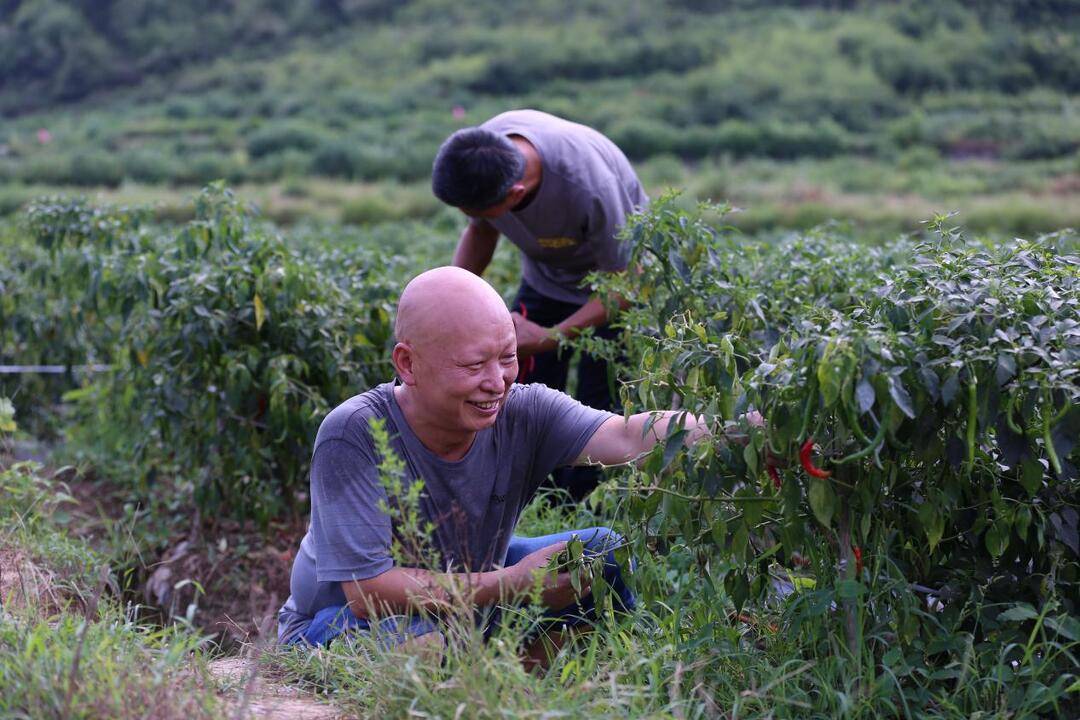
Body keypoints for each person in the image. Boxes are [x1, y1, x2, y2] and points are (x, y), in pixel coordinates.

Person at [277, 267, 723, 667]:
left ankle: (522, 677)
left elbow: (628, 435)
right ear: (407, 364)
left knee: (599, 553)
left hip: (471, 593)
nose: (497, 382)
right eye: (473, 364)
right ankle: (485, 676)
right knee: (422, 645)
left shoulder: (523, 410)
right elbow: (366, 592)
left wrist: (742, 432)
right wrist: (512, 583)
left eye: (507, 357)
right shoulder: (354, 432)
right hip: (342, 622)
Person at [432, 109, 648, 501]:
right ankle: (535, 499)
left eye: (477, 211)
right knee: (521, 396)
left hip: (612, 289)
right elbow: (480, 230)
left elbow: (627, 284)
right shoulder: (484, 151)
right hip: (545, 281)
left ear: (515, 195)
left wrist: (550, 337)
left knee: (597, 402)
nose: (473, 219)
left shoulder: (589, 187)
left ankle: (582, 512)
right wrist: (445, 301)